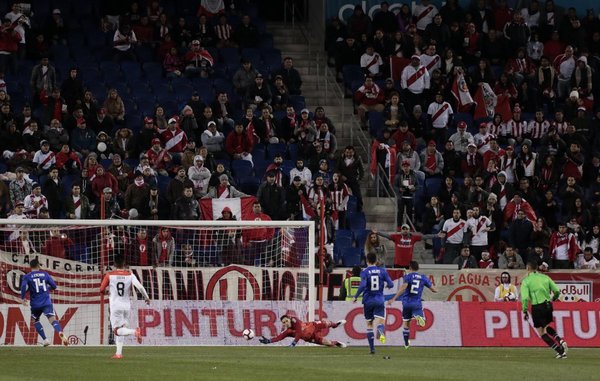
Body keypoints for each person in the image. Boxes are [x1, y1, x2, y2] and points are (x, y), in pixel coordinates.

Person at [100, 256, 150, 359]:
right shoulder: (130, 275)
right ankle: (118, 353)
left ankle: (135, 332)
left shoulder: (109, 275)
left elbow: (101, 289)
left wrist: (107, 292)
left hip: (115, 305)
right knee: (122, 329)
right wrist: (147, 297)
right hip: (126, 305)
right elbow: (140, 287)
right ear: (124, 264)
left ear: (114, 265)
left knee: (117, 330)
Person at [521, 260, 568, 359]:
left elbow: (525, 298)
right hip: (548, 305)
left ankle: (560, 351)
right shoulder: (545, 277)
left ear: (528, 268)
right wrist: (553, 298)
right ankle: (560, 341)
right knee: (546, 327)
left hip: (537, 306)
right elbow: (556, 291)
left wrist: (524, 310)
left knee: (541, 332)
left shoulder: (526, 281)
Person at [387, 260, 438, 348]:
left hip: (406, 303)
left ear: (410, 268)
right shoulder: (423, 277)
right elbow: (433, 290)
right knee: (422, 321)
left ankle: (406, 343)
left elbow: (403, 288)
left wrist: (393, 298)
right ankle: (419, 317)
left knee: (406, 323)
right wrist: (436, 289)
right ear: (417, 268)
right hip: (416, 303)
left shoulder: (407, 276)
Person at [20, 259, 68, 347]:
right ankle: (60, 331)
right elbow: (54, 286)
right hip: (46, 302)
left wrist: (22, 298)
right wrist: (46, 288)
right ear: (38, 265)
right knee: (52, 320)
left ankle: (45, 340)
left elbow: (23, 287)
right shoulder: (45, 274)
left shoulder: (27, 276)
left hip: (35, 304)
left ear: (30, 267)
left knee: (35, 320)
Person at [353, 252, 394, 354]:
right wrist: (388, 286)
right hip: (379, 300)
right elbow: (391, 284)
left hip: (368, 301)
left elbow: (362, 286)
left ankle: (372, 349)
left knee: (369, 324)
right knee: (380, 322)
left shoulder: (364, 272)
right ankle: (380, 331)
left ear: (367, 261)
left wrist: (356, 296)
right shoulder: (382, 271)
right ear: (376, 261)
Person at [258, 315, 346, 348]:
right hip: (310, 337)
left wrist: (293, 343)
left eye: (286, 321)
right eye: (284, 322)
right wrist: (269, 341)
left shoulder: (295, 320)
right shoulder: (288, 331)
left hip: (313, 326)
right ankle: (336, 343)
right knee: (328, 343)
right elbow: (279, 338)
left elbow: (299, 332)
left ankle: (335, 325)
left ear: (290, 319)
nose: (286, 323)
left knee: (326, 323)